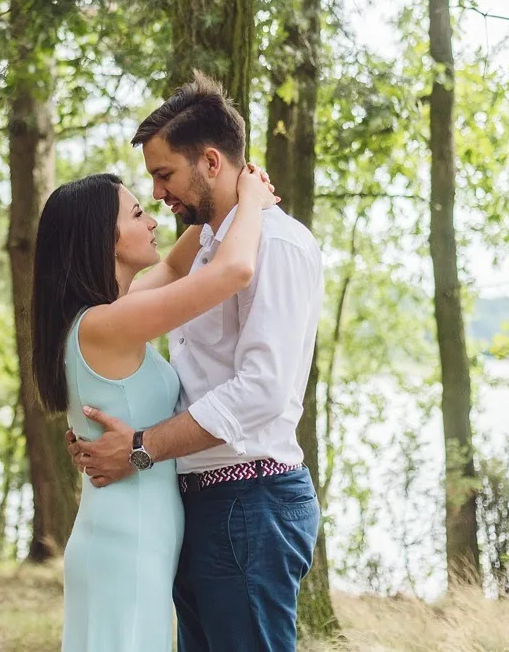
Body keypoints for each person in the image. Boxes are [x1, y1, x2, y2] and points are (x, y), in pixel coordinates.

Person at [66, 71, 325, 652]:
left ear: (210, 162)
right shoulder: (211, 245)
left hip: (249, 503)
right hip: (200, 504)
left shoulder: (274, 247)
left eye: (164, 175)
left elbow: (262, 390)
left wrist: (140, 447)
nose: (158, 193)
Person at [32, 161, 278, 652]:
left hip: (126, 536)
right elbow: (234, 270)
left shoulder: (99, 317)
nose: (154, 221)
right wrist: (251, 202)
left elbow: (171, 267)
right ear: (105, 239)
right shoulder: (104, 325)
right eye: (138, 213)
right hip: (127, 542)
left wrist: (224, 202)